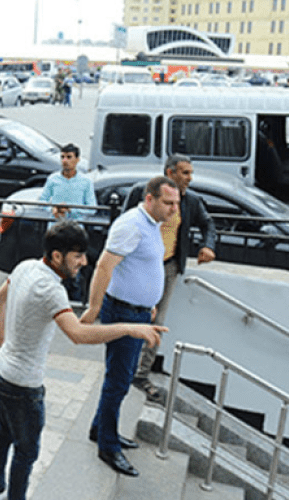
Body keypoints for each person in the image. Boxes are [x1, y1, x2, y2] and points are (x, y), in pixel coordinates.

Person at [0, 221, 166, 500]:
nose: (84, 261)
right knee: (26, 452)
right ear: (57, 256)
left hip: (0, 373)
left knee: (3, 433)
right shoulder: (52, 290)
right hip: (24, 385)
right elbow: (78, 334)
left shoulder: (25, 267)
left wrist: (0, 338)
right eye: (77, 255)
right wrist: (131, 328)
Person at [79, 176, 179, 477]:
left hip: (137, 312)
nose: (174, 209)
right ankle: (108, 446)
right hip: (123, 313)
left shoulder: (149, 225)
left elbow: (140, 266)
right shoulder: (131, 224)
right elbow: (105, 266)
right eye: (168, 202)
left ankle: (100, 429)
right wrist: (94, 307)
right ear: (150, 199)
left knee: (118, 378)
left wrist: (148, 301)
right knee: (119, 381)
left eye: (176, 203)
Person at [122, 155, 216, 402]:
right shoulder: (141, 193)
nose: (189, 178)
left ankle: (140, 374)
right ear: (170, 173)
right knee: (133, 314)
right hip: (139, 264)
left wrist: (208, 246)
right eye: (184, 173)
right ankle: (123, 365)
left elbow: (208, 224)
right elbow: (120, 225)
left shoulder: (191, 201)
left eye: (190, 173)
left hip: (168, 266)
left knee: (158, 320)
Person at [38, 143, 96, 304]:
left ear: (77, 159)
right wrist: (53, 209)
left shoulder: (85, 182)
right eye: (62, 157)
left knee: (73, 273)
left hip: (75, 232)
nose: (65, 161)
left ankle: (73, 305)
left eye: (69, 157)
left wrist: (71, 210)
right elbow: (42, 201)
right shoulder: (53, 179)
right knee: (51, 269)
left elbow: (92, 208)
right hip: (55, 230)